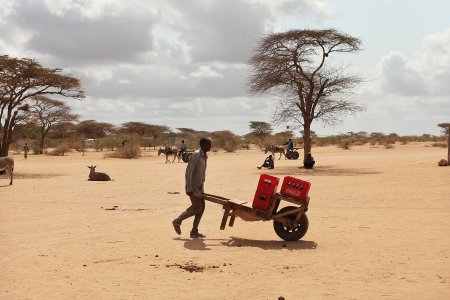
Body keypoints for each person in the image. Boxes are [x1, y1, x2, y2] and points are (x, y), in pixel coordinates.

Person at [172, 138, 212, 238]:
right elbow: (189, 172)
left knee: (201, 208)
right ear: (203, 145)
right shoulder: (197, 154)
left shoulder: (204, 156)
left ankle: (194, 231)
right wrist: (189, 188)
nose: (210, 146)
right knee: (197, 208)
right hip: (193, 187)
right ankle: (177, 221)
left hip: (200, 187)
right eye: (209, 144)